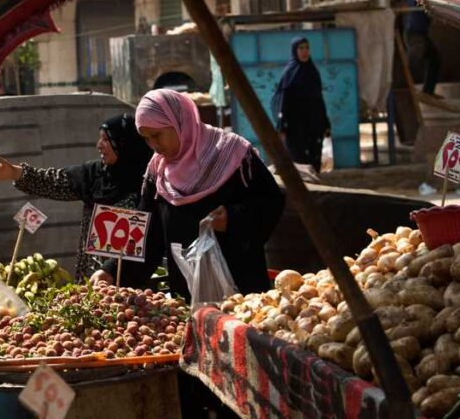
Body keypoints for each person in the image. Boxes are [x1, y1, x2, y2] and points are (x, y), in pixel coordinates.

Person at [91, 89, 285, 299]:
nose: (153, 145)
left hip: (241, 293)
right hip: (187, 296)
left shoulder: (234, 155)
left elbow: (271, 201)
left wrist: (233, 217)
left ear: (179, 121)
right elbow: (146, 233)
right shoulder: (157, 171)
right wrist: (110, 270)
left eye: (157, 135)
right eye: (146, 138)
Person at [0, 113, 153, 277]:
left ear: (124, 143)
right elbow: (55, 181)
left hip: (132, 284)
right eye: (100, 138)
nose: (99, 145)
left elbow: (150, 237)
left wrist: (111, 271)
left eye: (106, 139)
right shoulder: (94, 174)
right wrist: (16, 173)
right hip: (91, 278)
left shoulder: (150, 181)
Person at [271, 37, 330, 173]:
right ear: (294, 51)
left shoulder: (313, 72)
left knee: (315, 161)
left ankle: (315, 191)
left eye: (307, 48)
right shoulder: (289, 74)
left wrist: (325, 123)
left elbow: (319, 100)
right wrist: (281, 125)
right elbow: (282, 100)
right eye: (301, 48)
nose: (304, 51)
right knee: (299, 162)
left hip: (314, 126)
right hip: (295, 128)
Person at [405, 0, 441, 96]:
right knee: (413, 63)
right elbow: (417, 2)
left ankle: (427, 92)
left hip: (420, 33)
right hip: (415, 34)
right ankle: (405, 90)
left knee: (434, 61)